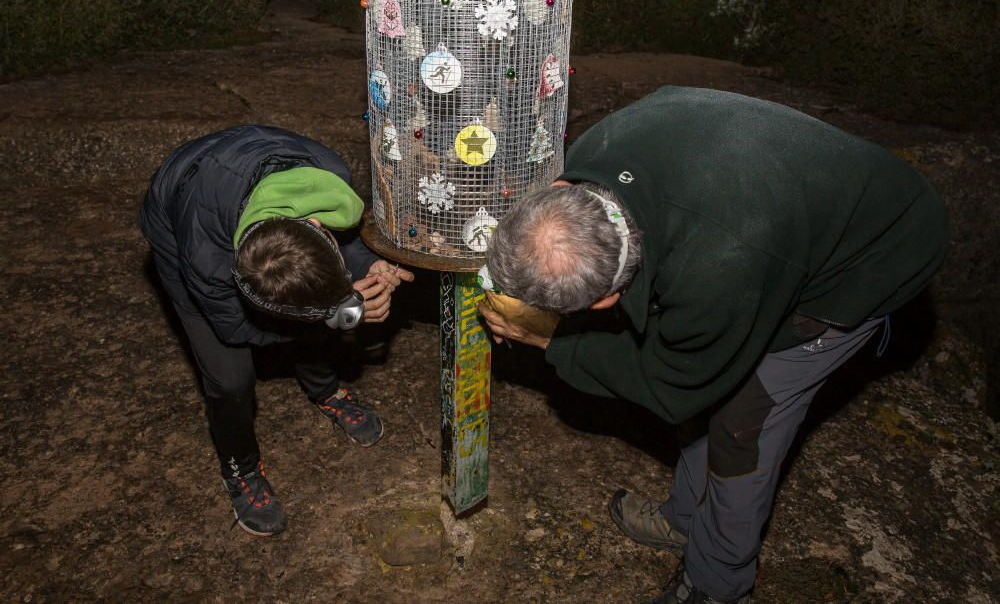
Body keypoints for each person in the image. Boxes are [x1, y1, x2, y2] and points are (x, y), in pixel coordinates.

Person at [479, 87, 948, 603]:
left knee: (743, 423)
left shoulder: (718, 270)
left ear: (603, 304)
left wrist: (548, 337)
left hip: (874, 252)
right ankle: (685, 520)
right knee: (711, 380)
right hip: (767, 200)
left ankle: (718, 585)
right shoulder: (594, 153)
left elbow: (679, 383)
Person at [139, 125, 414, 537]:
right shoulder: (206, 260)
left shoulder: (327, 177)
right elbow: (232, 327)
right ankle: (240, 468)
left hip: (245, 167)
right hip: (178, 207)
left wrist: (368, 266)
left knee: (317, 298)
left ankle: (325, 390)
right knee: (230, 379)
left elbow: (346, 241)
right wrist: (329, 315)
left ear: (315, 223)